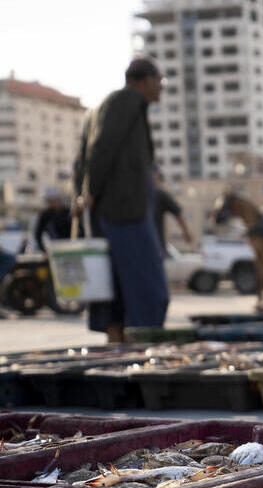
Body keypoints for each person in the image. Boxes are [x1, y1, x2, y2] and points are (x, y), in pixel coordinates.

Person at [77, 56, 170, 343]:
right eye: (159, 81)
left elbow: (85, 154)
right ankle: (142, 351)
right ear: (144, 81)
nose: (161, 89)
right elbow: (100, 149)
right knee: (150, 292)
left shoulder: (106, 107)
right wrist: (89, 192)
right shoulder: (126, 101)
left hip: (116, 212)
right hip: (125, 214)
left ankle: (118, 344)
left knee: (116, 292)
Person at [153, 168, 193, 254]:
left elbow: (178, 213)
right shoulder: (157, 194)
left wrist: (186, 232)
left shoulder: (159, 195)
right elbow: (178, 214)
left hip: (155, 246)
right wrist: (186, 232)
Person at [32, 188, 72, 253]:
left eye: (52, 200)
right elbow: (38, 234)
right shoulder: (45, 215)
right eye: (49, 200)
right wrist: (43, 250)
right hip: (54, 248)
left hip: (69, 247)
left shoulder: (68, 212)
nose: (51, 203)